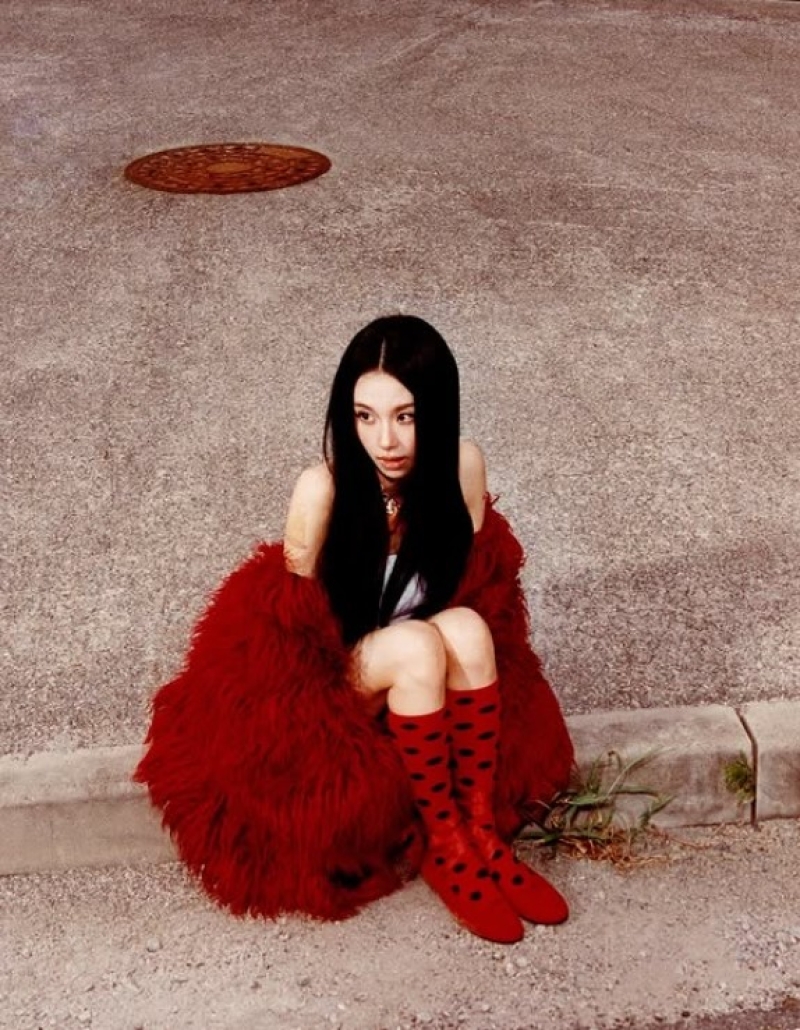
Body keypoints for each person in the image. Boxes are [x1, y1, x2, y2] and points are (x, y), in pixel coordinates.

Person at [136, 315, 574, 944]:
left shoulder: (460, 467)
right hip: (339, 690)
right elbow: (288, 637)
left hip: (423, 682)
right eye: (365, 416)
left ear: (438, 411)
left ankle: (480, 833)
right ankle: (444, 847)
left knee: (470, 629)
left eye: (406, 416)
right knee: (417, 645)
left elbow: (486, 591)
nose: (385, 439)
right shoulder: (324, 490)